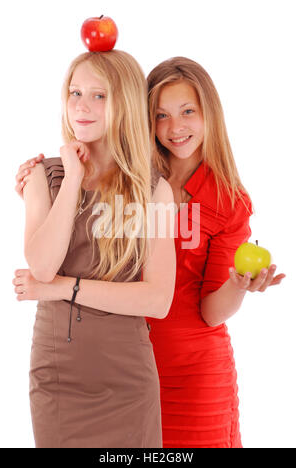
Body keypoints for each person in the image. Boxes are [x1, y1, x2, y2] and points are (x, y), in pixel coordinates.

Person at [15, 56, 285, 449]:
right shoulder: (131, 177)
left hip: (190, 370)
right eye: (160, 115)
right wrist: (45, 188)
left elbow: (210, 310)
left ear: (210, 114)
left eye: (188, 111)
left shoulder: (225, 200)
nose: (175, 127)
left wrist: (238, 285)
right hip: (118, 352)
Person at [12, 50, 176, 448]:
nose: (81, 106)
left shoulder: (155, 191)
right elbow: (42, 266)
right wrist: (72, 179)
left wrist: (62, 289)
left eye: (99, 96)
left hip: (127, 381)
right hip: (57, 377)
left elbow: (158, 299)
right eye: (75, 93)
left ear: (124, 103)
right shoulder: (42, 176)